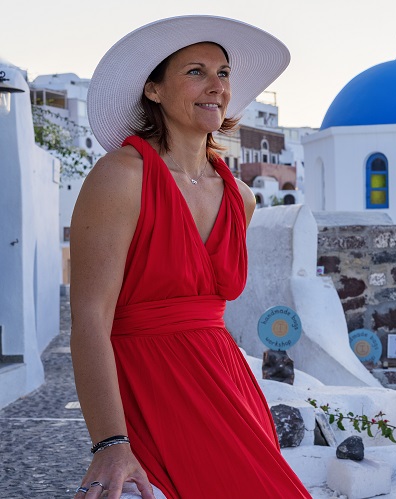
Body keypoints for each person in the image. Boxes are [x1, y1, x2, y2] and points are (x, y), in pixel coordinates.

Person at [70, 16, 310, 498]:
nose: (216, 87)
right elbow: (90, 317)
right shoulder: (121, 177)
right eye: (195, 72)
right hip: (153, 390)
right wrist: (110, 441)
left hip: (230, 387)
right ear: (154, 89)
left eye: (223, 73)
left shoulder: (241, 196)